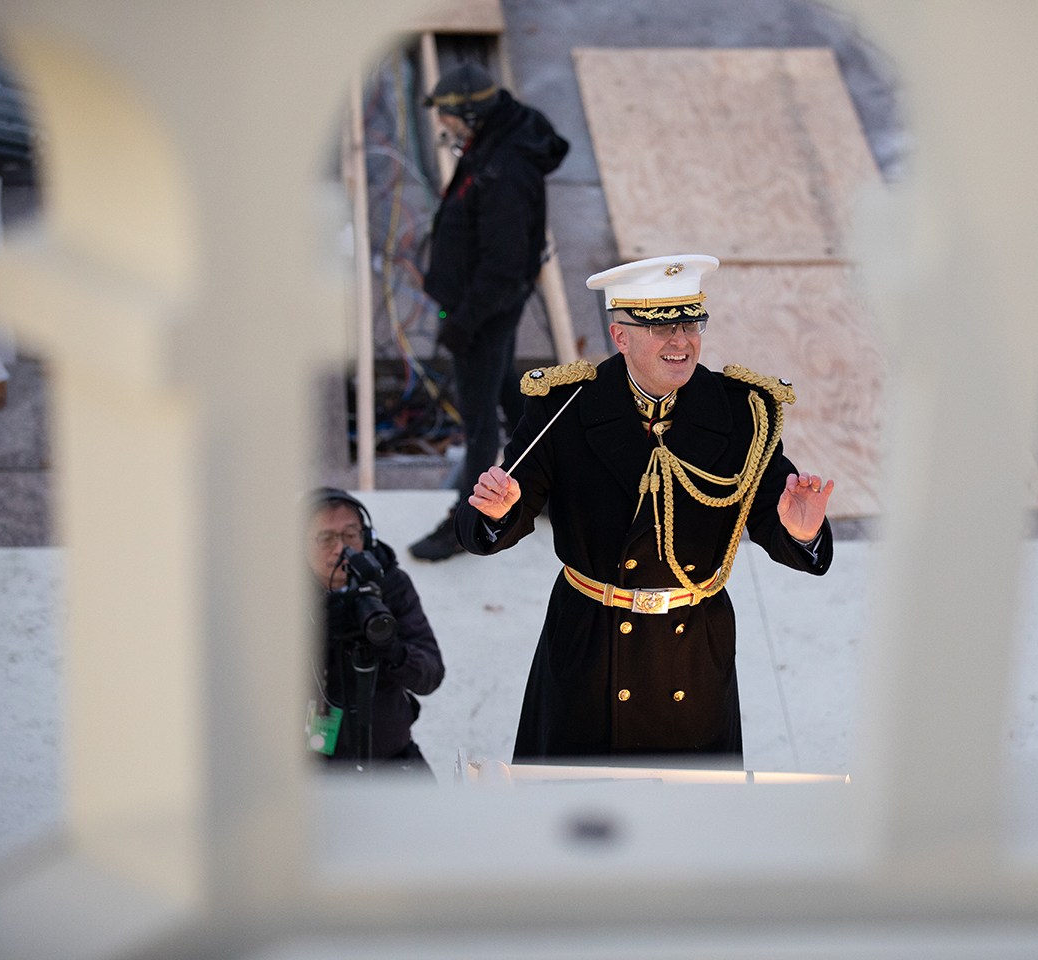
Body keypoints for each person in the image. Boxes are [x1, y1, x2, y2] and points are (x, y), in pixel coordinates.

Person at [457, 254, 835, 766]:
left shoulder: (743, 411)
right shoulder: (565, 405)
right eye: (660, 326)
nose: (681, 341)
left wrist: (800, 530)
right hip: (591, 646)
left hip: (691, 652)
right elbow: (508, 507)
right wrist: (497, 512)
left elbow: (773, 512)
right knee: (575, 820)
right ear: (620, 336)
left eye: (691, 321)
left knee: (687, 826)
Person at [409, 62, 570, 561]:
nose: (446, 127)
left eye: (450, 117)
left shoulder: (505, 169)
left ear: (471, 113)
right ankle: (549, 485)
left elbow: (501, 269)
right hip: (482, 305)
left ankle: (468, 522)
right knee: (505, 390)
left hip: (482, 311)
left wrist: (462, 323)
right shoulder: (498, 138)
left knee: (479, 424)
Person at [308, 488, 445, 773]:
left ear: (366, 537)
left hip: (392, 756)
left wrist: (394, 651)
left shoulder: (391, 584)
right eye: (326, 538)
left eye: (350, 535)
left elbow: (431, 675)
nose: (340, 548)